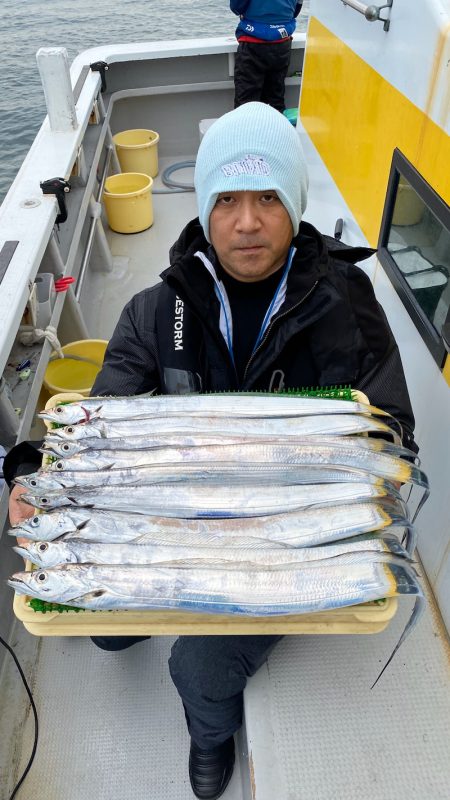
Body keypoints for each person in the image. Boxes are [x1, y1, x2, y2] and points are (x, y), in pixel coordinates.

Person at [7, 102, 417, 800]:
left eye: (268, 198)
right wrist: (35, 476)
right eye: (227, 199)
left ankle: (209, 734)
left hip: (285, 538)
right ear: (204, 208)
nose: (248, 221)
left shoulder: (349, 310)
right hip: (172, 520)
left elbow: (393, 432)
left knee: (197, 666)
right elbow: (102, 423)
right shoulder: (151, 311)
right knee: (106, 628)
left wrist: (373, 479)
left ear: (294, 205)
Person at [230, 1, 303, 111]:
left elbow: (236, 7)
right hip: (282, 44)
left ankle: (247, 126)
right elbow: (296, 9)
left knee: (247, 103)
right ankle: (276, 125)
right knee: (275, 99)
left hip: (253, 44)